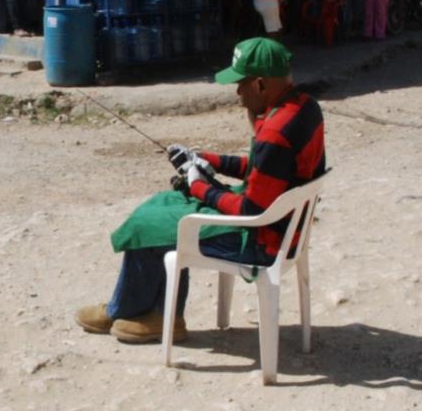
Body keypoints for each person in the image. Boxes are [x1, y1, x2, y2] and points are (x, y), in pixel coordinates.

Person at [75, 37, 327, 343]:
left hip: (259, 240)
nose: (237, 92)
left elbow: (251, 211)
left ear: (260, 85)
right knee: (162, 202)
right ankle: (152, 310)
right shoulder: (304, 107)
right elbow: (263, 167)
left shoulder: (275, 130)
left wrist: (198, 186)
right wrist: (206, 159)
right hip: (283, 228)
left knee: (146, 225)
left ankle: (142, 314)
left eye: (241, 84)